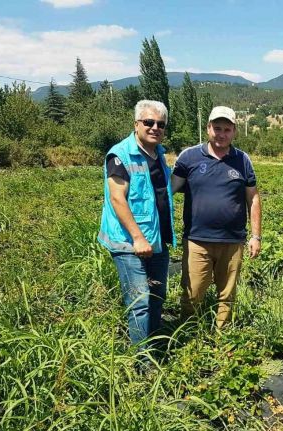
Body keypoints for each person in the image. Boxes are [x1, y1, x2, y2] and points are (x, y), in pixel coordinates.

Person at [171, 106, 262, 329]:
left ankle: (224, 337)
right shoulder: (189, 157)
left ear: (234, 132)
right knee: (192, 294)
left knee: (227, 295)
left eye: (227, 129)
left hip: (232, 241)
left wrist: (256, 236)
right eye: (217, 128)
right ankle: (189, 336)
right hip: (197, 240)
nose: (221, 134)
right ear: (208, 128)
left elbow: (253, 199)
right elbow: (167, 192)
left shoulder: (242, 160)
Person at [98, 100, 176, 349]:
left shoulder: (159, 154)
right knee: (140, 301)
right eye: (149, 122)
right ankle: (142, 363)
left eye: (160, 124)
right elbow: (117, 199)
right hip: (129, 242)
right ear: (136, 124)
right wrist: (138, 238)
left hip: (156, 239)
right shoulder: (120, 154)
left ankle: (153, 346)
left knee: (157, 296)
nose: (155, 128)